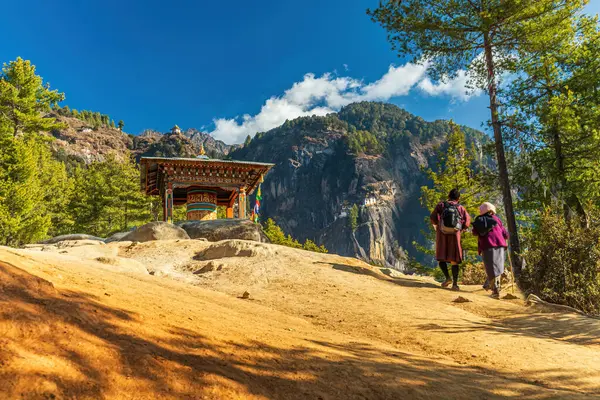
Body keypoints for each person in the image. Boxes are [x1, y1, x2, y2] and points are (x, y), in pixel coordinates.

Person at [430, 189, 471, 291]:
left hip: (442, 233)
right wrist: (461, 229)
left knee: (441, 256)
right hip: (454, 234)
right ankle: (455, 284)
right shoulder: (460, 208)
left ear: (448, 196)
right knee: (454, 259)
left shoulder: (441, 205)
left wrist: (436, 225)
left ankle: (447, 278)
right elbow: (467, 222)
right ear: (458, 198)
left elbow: (433, 217)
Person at [472, 202, 508, 298]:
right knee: (498, 266)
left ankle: (495, 291)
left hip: (487, 245)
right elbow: (505, 233)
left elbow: (474, 232)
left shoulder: (479, 220)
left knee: (490, 268)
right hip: (500, 245)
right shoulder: (497, 219)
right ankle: (496, 287)